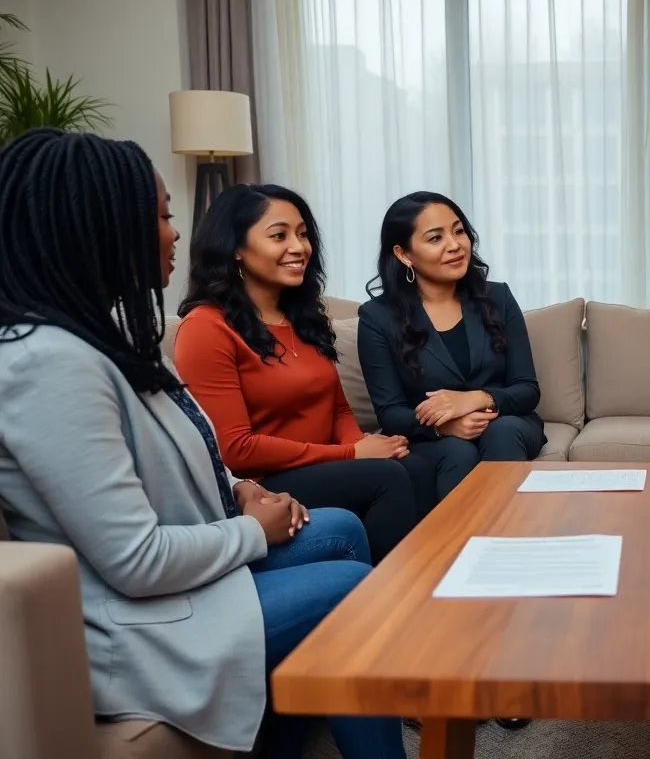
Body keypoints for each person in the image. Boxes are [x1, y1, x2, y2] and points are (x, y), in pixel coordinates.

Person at [0, 130, 406, 758]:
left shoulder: (98, 338)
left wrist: (238, 490)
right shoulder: (48, 363)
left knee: (342, 530)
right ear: (103, 227)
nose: (176, 232)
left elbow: (191, 453)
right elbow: (135, 562)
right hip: (137, 628)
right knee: (356, 586)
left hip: (181, 585)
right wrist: (254, 530)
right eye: (161, 215)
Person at [174, 184, 425, 563]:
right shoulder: (206, 328)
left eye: (303, 234)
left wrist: (364, 450)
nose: (299, 246)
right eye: (279, 235)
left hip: (321, 465)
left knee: (414, 467)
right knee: (385, 479)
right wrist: (350, 454)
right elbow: (235, 448)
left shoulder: (303, 319)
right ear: (236, 248)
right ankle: (389, 604)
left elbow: (337, 407)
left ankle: (432, 589)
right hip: (262, 484)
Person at [357, 192, 545, 504]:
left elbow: (528, 389)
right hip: (433, 437)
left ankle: (510, 537)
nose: (455, 245)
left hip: (506, 421)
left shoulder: (498, 298)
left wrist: (476, 399)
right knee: (456, 450)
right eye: (435, 238)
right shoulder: (377, 317)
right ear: (404, 254)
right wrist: (445, 427)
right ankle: (455, 547)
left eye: (459, 231)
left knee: (502, 431)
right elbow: (390, 413)